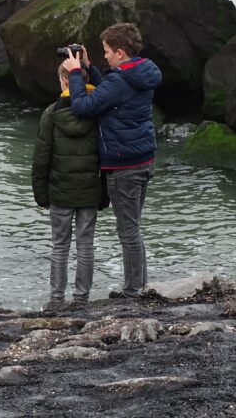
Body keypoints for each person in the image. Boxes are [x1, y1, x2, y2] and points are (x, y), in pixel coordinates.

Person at [62, 23, 162, 298]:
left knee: (128, 232)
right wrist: (90, 68)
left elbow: (83, 107)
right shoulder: (142, 72)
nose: (104, 56)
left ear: (120, 52)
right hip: (143, 158)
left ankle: (133, 291)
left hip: (124, 165)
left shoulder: (120, 80)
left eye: (107, 51)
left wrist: (74, 74)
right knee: (134, 228)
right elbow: (112, 89)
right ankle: (139, 285)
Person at [31, 62, 103, 309]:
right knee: (86, 246)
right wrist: (103, 194)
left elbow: (41, 157)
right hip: (89, 191)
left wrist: (41, 194)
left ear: (64, 81)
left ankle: (57, 299)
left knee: (60, 246)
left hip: (60, 192)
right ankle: (82, 299)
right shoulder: (97, 112)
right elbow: (104, 154)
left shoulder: (51, 114)